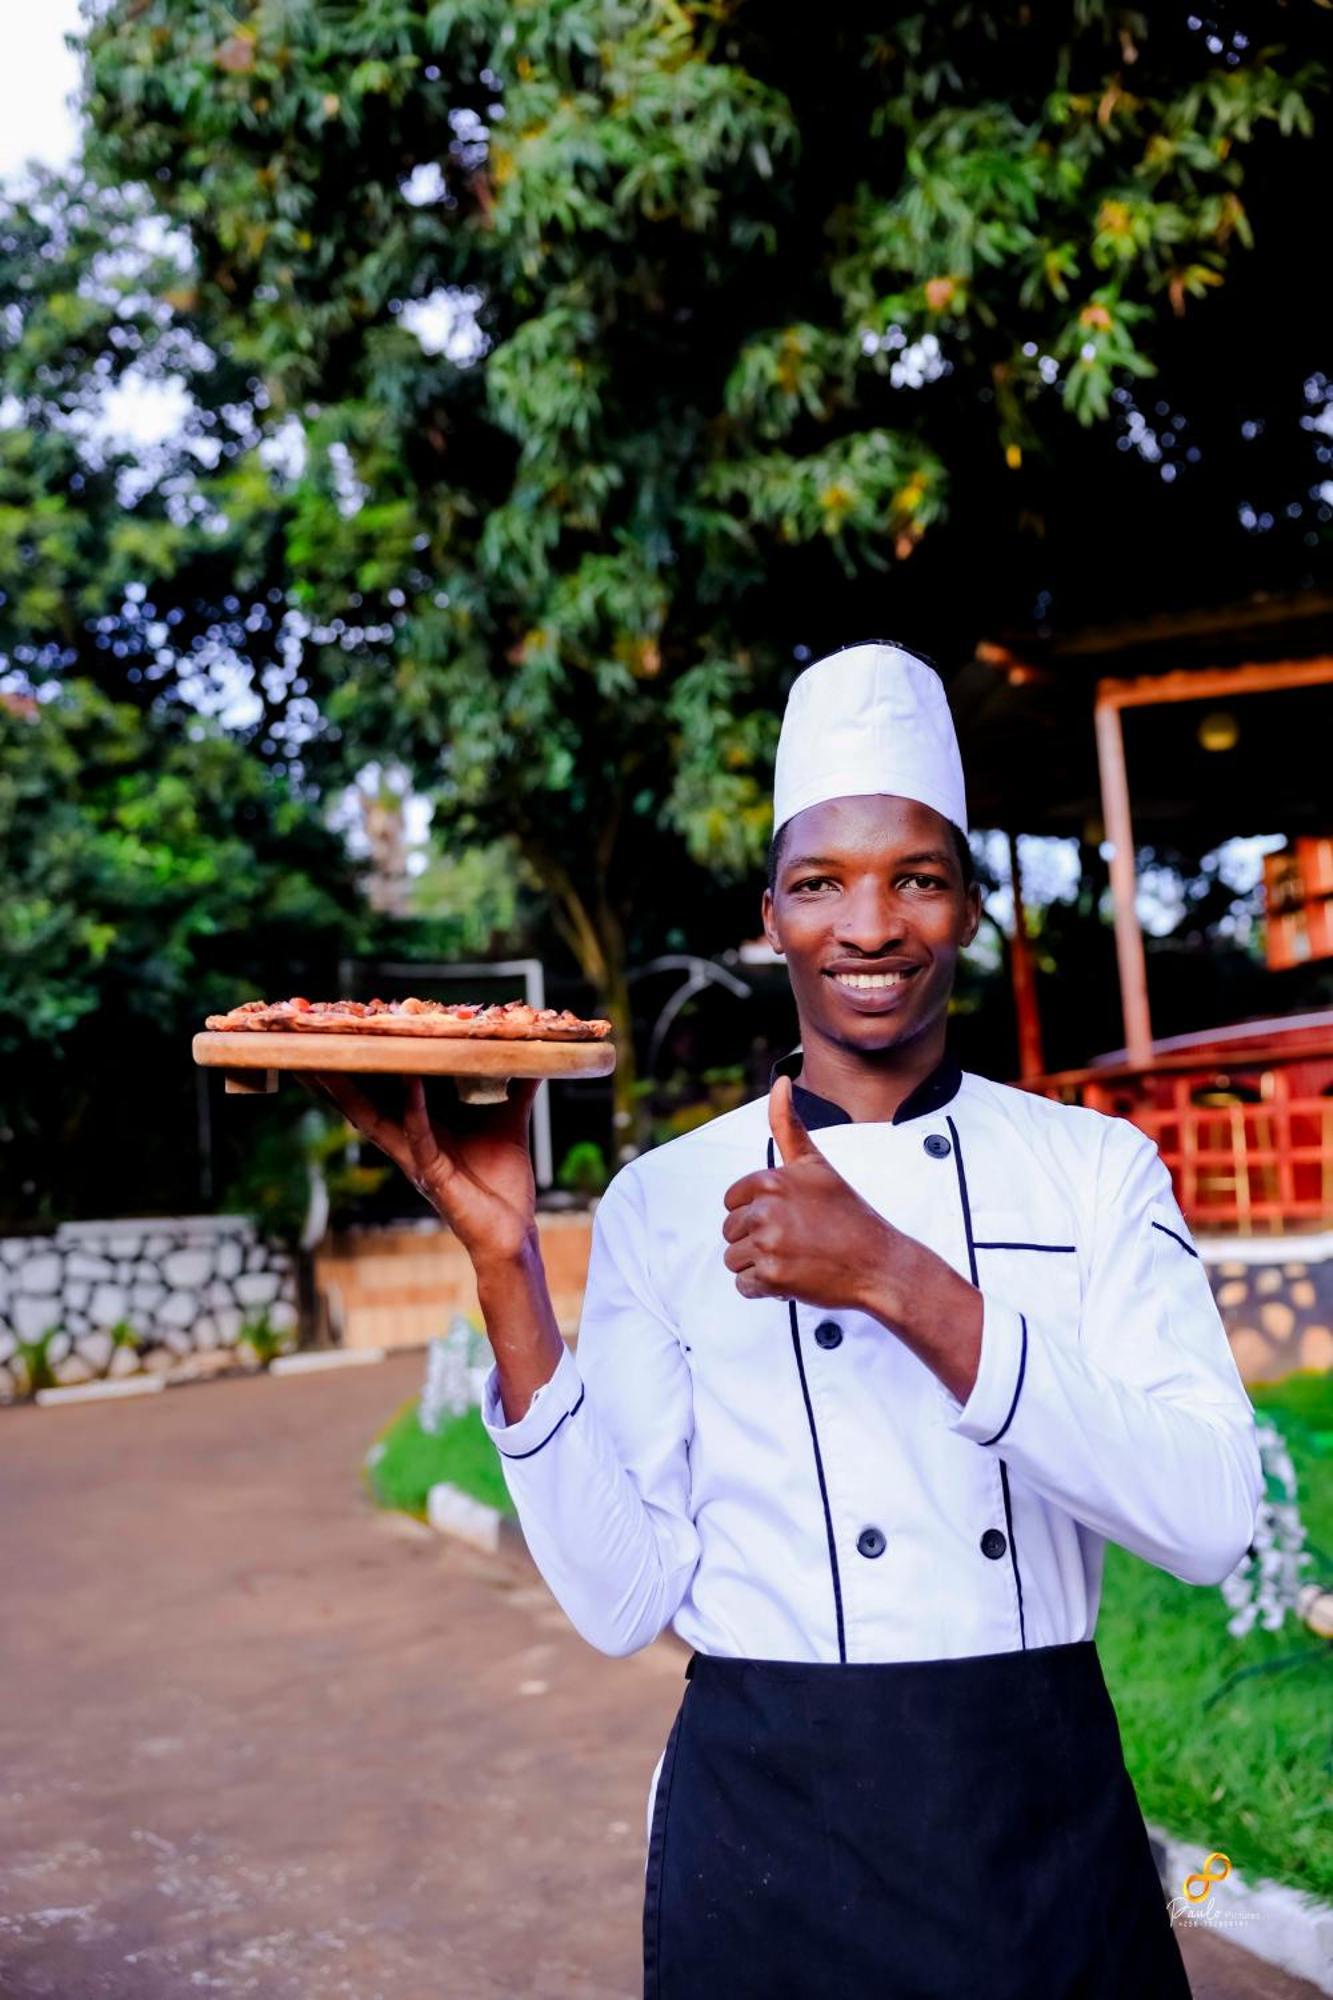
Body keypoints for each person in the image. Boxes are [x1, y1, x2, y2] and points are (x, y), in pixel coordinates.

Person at [315, 641, 1263, 1999]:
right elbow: (619, 1598)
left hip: (1029, 1801)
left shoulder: (1090, 1171)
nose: (867, 926)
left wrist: (898, 1279)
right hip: (766, 1813)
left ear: (971, 909)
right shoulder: (662, 1199)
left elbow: (1210, 1518)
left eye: (915, 879)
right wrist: (509, 1272)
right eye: (820, 884)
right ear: (771, 914)